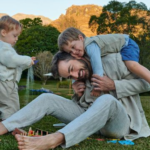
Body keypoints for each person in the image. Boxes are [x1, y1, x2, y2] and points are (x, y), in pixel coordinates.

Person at [0, 51, 150, 150]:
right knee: (47, 98)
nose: (76, 75)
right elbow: (83, 106)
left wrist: (114, 85)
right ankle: (5, 126)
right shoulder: (80, 78)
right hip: (91, 123)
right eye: (70, 76)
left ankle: (55, 139)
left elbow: (146, 83)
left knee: (107, 100)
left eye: (73, 69)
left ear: (78, 56)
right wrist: (78, 95)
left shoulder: (113, 60)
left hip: (118, 125)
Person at [58, 27, 150, 96]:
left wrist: (97, 88)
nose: (74, 52)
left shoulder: (90, 46)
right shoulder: (83, 50)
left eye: (73, 47)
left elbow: (97, 66)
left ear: (81, 38)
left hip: (127, 43)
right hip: (124, 44)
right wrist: (74, 83)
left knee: (132, 65)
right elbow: (73, 69)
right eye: (70, 52)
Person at [0, 15, 36, 120]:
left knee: (3, 104)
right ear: (3, 33)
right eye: (15, 36)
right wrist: (27, 59)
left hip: (4, 82)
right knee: (11, 106)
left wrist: (26, 64)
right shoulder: (4, 47)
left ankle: (3, 121)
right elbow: (12, 60)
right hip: (6, 84)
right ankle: (8, 125)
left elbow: (14, 67)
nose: (17, 39)